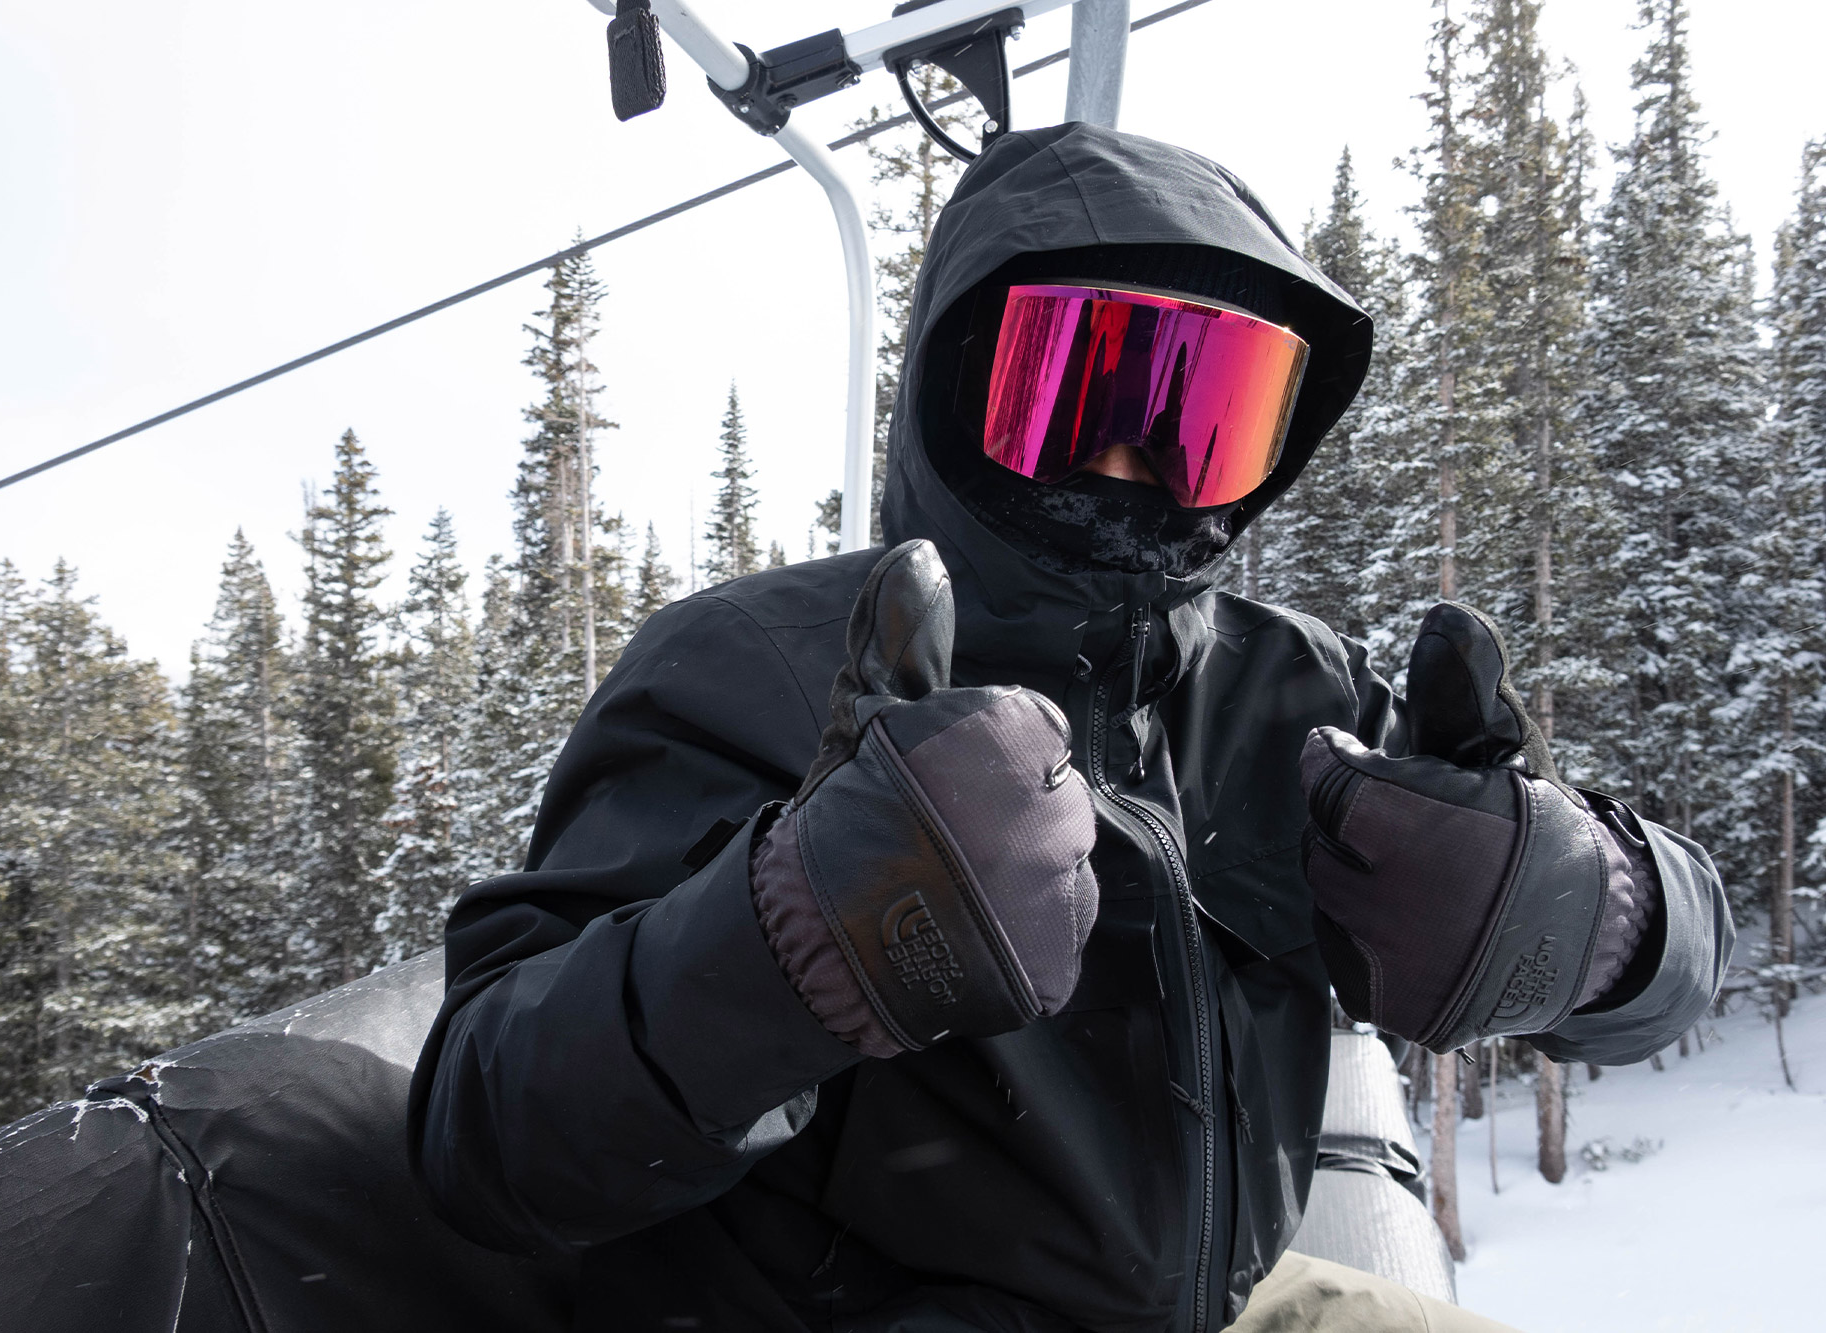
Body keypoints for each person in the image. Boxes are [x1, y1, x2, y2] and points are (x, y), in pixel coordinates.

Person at [408, 125, 1731, 1332]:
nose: (1135, 461)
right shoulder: (752, 667)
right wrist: (789, 946)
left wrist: (1587, 915)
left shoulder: (1294, 697)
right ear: (960, 386)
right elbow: (486, 1132)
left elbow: (1685, 959)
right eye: (1077, 385)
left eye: (1200, 415)